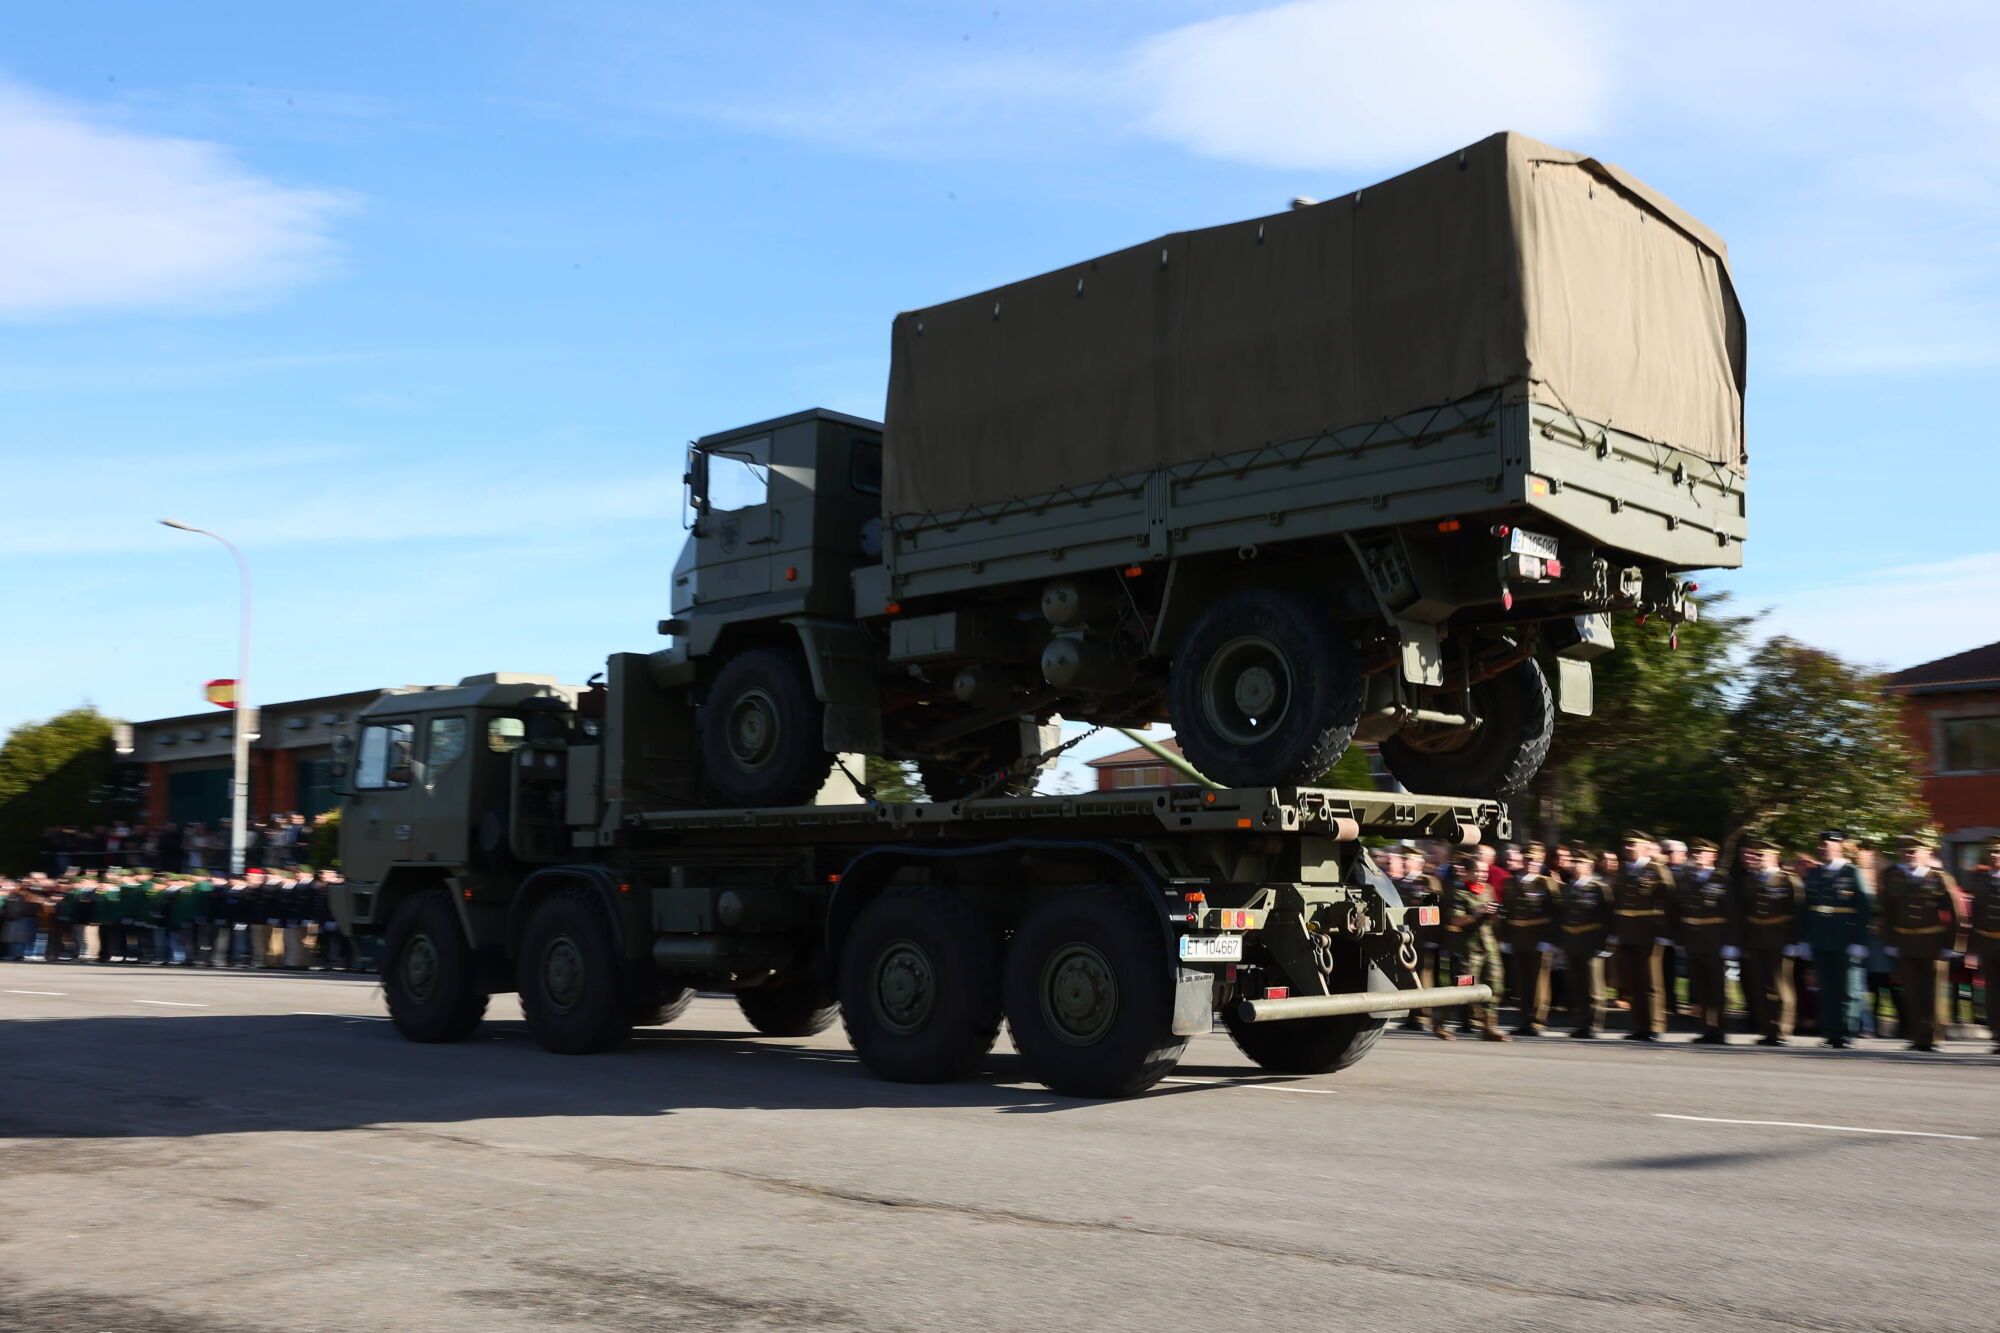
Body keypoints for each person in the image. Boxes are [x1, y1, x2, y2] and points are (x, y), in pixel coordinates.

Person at [1876, 833, 1964, 1052]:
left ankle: (1933, 1037)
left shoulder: (1939, 877)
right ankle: (1917, 1036)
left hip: (1932, 941)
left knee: (1933, 991)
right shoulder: (1893, 876)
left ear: (1927, 853)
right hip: (1905, 940)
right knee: (1912, 991)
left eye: (1914, 851)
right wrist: (1889, 940)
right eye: (1905, 851)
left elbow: (1956, 914)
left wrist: (1953, 945)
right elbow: (1886, 911)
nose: (1909, 855)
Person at [1800, 830, 1871, 1049]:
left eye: (1828, 845)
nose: (1823, 849)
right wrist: (1805, 938)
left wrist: (1860, 941)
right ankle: (1831, 1032)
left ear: (1839, 846)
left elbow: (1864, 907)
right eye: (1821, 845)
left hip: (1845, 938)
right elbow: (1806, 908)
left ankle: (1847, 1031)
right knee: (1827, 987)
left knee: (1849, 988)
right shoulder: (1815, 873)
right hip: (1821, 937)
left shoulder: (1852, 872)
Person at [1669, 837, 1737, 1043]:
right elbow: (1678, 911)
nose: (1697, 855)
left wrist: (1731, 944)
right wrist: (1679, 939)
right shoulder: (1685, 879)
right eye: (1695, 852)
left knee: (1716, 988)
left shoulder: (1723, 880)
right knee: (1699, 988)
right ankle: (1706, 1029)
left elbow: (1733, 914)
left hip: (1715, 939)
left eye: (1702, 852)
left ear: (1713, 856)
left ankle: (1719, 1030)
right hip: (1692, 939)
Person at [1737, 838, 1804, 1046]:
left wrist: (1796, 941)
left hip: (1780, 939)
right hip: (1756, 938)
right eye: (1755, 855)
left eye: (1761, 855)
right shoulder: (1752, 880)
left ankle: (1782, 1029)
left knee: (1780, 986)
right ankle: (1767, 1029)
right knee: (1759, 985)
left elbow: (1798, 912)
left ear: (1774, 857)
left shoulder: (1788, 880)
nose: (1757, 859)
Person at [1611, 831, 1673, 1041]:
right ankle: (1639, 1026)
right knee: (1633, 982)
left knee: (1651, 982)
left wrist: (1664, 933)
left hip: (1649, 934)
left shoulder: (1655, 869)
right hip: (1627, 933)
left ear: (1645, 848)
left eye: (1633, 844)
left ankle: (1655, 1026)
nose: (1628, 848)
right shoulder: (1624, 871)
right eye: (1626, 845)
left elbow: (1669, 901)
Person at [1440, 850, 1508, 1041]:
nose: (1482, 875)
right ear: (1468, 872)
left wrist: (1494, 913)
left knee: (1496, 984)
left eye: (1484, 872)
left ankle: (1489, 1026)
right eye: (1478, 871)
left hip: (1488, 945)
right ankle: (1441, 1022)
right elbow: (1455, 920)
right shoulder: (1459, 892)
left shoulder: (1487, 890)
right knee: (1463, 988)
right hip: (1469, 949)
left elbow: (1493, 918)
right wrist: (1477, 913)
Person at [1501, 843, 1559, 1036]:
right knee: (1521, 981)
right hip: (1517, 936)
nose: (1530, 863)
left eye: (1534, 860)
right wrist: (1506, 938)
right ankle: (1523, 1018)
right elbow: (1506, 912)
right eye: (1527, 860)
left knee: (1538, 981)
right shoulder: (1511, 882)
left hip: (1538, 937)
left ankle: (1537, 1021)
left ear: (1540, 861)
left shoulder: (1546, 883)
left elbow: (1554, 914)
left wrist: (1548, 939)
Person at [1965, 838, 2000, 1054]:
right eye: (1993, 853)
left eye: (1999, 853)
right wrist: (1971, 949)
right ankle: (1997, 1035)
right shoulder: (1982, 880)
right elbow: (1975, 916)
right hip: (1987, 943)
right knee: (1993, 993)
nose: (1995, 856)